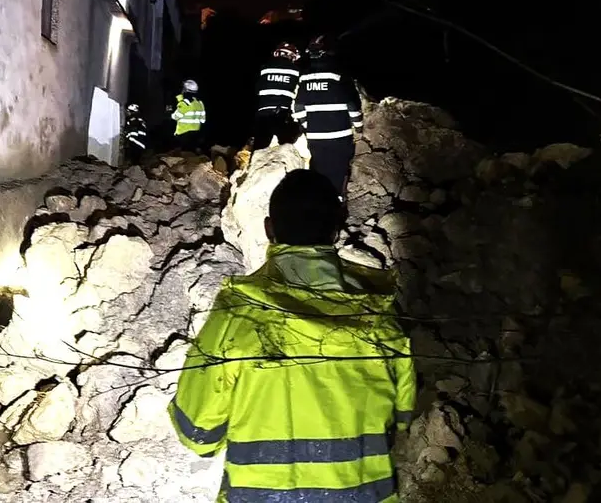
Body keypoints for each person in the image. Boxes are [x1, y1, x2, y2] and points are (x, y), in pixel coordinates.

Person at [169, 169, 416, 503]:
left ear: (269, 229)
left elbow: (197, 433)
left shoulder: (238, 314)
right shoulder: (379, 315)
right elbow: (402, 419)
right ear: (337, 227)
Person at [292, 35, 365, 198]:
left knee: (318, 168)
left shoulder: (305, 77)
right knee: (339, 169)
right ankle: (338, 200)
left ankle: (318, 199)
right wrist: (359, 127)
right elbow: (352, 105)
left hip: (315, 137)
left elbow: (298, 107)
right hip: (339, 135)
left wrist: (306, 126)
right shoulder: (339, 75)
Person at [254, 42, 301, 149]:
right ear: (292, 56)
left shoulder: (264, 68)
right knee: (287, 145)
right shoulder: (295, 70)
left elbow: (257, 89)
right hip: (282, 113)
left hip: (263, 112)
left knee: (260, 147)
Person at [171, 79, 206, 153]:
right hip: (195, 135)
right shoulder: (200, 103)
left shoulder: (184, 103)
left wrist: (180, 103)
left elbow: (175, 117)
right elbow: (203, 120)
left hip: (183, 135)